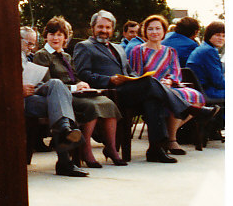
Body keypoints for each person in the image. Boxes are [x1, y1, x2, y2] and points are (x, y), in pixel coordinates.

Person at [73, 10, 193, 163]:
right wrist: (110, 80)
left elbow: (130, 71)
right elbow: (84, 75)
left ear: (113, 29)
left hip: (128, 90)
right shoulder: (84, 46)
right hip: (108, 93)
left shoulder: (118, 48)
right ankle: (184, 107)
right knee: (151, 84)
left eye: (108, 27)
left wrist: (137, 78)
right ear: (92, 28)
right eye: (100, 27)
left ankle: (156, 149)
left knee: (152, 97)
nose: (104, 31)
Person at [32, 17, 125, 167]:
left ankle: (111, 149)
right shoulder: (42, 55)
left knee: (108, 103)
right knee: (91, 106)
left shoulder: (66, 56)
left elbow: (74, 77)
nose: (55, 38)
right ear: (45, 36)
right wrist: (74, 88)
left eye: (59, 35)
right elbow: (48, 85)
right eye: (51, 34)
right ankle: (85, 150)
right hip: (62, 96)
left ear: (65, 38)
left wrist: (82, 84)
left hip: (75, 92)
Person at [130, 15, 212, 155]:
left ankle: (169, 136)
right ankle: (172, 140)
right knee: (176, 95)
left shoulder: (170, 51)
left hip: (169, 86)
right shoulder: (138, 50)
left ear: (164, 31)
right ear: (145, 31)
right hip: (149, 88)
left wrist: (169, 81)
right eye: (150, 29)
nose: (154, 32)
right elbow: (136, 74)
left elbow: (175, 73)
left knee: (194, 95)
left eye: (158, 28)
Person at [20, 26, 88, 177]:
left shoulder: (26, 57)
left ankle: (64, 129)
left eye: (33, 44)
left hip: (32, 95)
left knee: (57, 84)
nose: (31, 48)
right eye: (28, 44)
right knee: (58, 104)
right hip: (18, 100)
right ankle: (64, 160)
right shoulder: (9, 56)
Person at [187, 21, 225, 101]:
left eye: (224, 36)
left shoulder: (204, 48)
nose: (221, 38)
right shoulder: (209, 51)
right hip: (207, 91)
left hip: (202, 89)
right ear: (209, 35)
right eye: (217, 35)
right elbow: (218, 82)